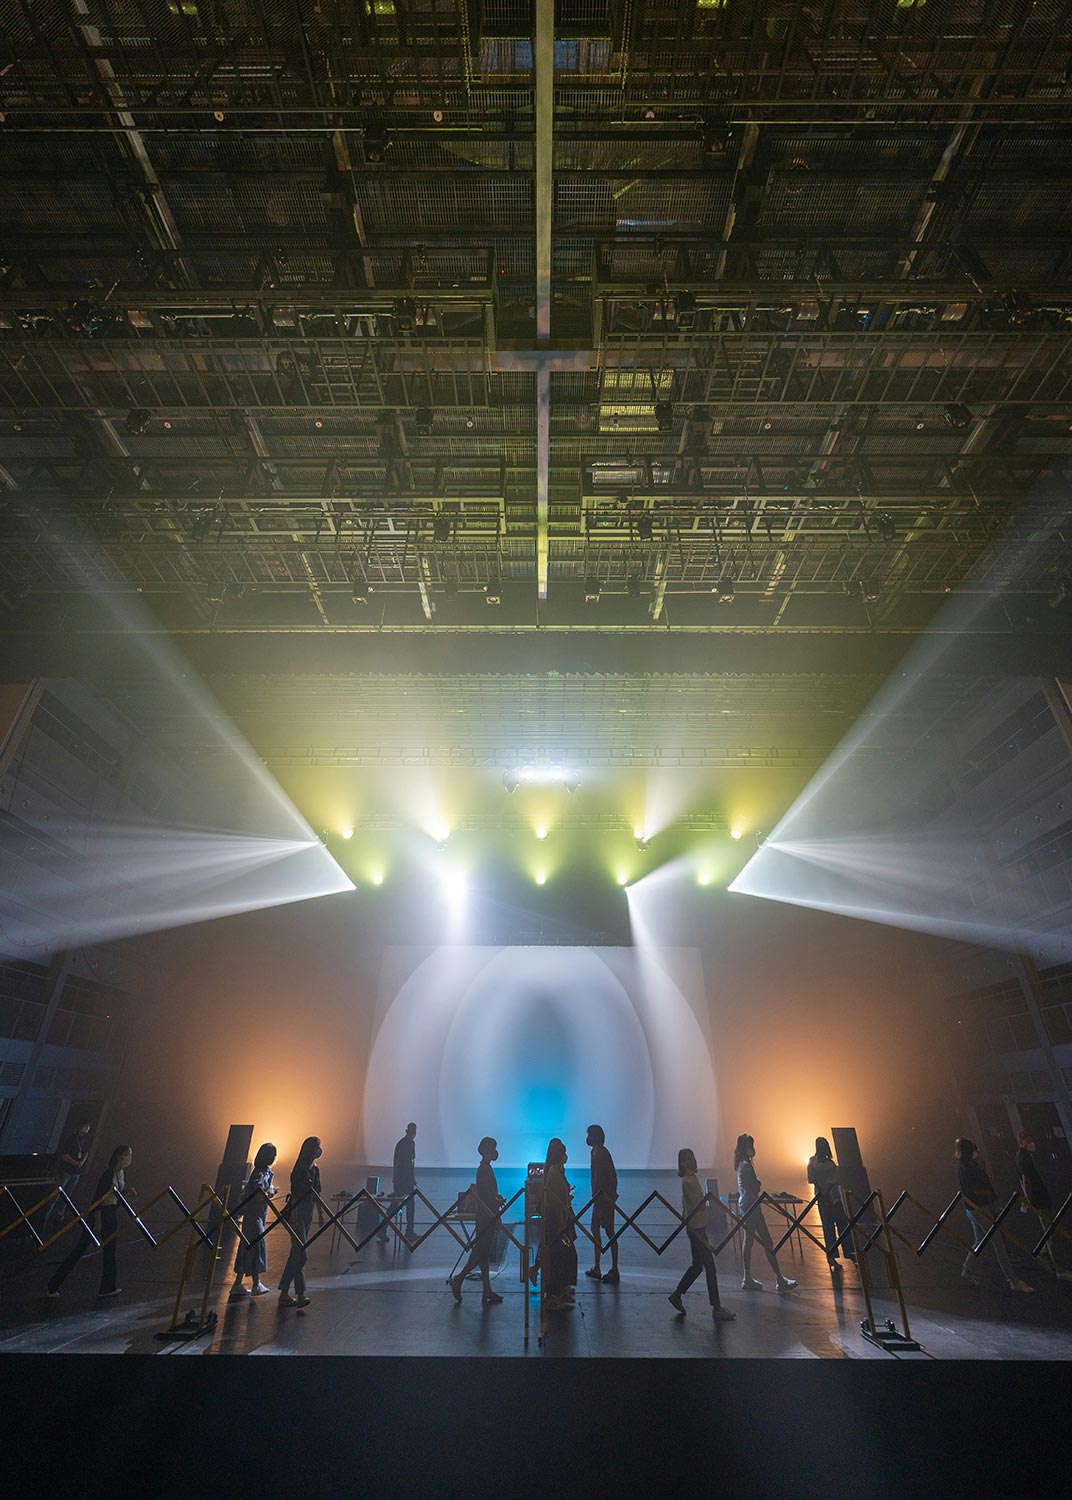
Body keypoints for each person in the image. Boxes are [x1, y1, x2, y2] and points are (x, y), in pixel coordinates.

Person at [46, 1144, 134, 1299]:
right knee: (80, 1249)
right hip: (100, 1214)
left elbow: (115, 1196)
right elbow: (98, 1199)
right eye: (127, 1154)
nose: (129, 1158)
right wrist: (97, 1222)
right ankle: (53, 1285)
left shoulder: (122, 1174)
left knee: (110, 1251)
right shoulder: (108, 1175)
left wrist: (126, 1193)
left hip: (111, 1213)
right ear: (119, 1156)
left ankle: (107, 1287)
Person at [956, 1137, 1033, 1293]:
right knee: (998, 1243)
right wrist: (988, 1196)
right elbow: (976, 1189)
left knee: (979, 1240)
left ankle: (967, 1269)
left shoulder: (964, 1166)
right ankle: (1013, 1280)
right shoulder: (969, 1168)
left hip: (971, 1209)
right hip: (980, 1208)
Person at [669, 1147, 735, 1321]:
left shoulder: (690, 1179)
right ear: (683, 1162)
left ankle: (677, 1294)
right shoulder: (689, 1182)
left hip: (695, 1227)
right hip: (697, 1228)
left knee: (698, 1265)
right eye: (688, 1158)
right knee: (709, 1267)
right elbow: (697, 1204)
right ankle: (717, 1307)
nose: (692, 1160)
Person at [734, 1134, 797, 1293]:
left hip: (746, 1205)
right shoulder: (747, 1166)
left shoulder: (742, 1164)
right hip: (752, 1206)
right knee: (767, 1241)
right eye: (750, 1144)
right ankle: (779, 1279)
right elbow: (754, 1186)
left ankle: (748, 1277)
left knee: (748, 1241)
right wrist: (758, 1184)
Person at [451, 1136, 505, 1305]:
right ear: (489, 1150)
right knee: (480, 1253)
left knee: (484, 1255)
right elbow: (486, 1196)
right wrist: (497, 1202)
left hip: (487, 1215)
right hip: (487, 1216)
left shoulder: (485, 1168)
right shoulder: (484, 1169)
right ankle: (459, 1279)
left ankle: (487, 1289)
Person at [1016, 1129, 1072, 1280]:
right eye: (1028, 1141)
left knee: (1049, 1229)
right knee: (1051, 1232)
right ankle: (1059, 1269)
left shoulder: (1023, 1156)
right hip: (1039, 1198)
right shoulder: (1024, 1158)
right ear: (1022, 1143)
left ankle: (1043, 1253)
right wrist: (1028, 1199)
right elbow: (1026, 1180)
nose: (1031, 1144)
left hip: (1040, 1197)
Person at [279, 1136, 323, 1309]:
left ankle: (298, 1294)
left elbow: (317, 1192)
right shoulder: (299, 1169)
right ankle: (285, 1291)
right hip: (297, 1211)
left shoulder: (316, 1169)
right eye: (317, 1147)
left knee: (297, 1253)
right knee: (300, 1253)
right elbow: (302, 1192)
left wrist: (320, 1213)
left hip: (308, 1212)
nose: (320, 1150)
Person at [230, 1142, 277, 1298]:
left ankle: (238, 1283)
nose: (274, 1158)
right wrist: (269, 1192)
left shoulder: (267, 1172)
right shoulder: (259, 1173)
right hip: (253, 1214)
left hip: (259, 1214)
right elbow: (258, 1191)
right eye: (271, 1155)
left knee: (247, 1246)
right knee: (256, 1246)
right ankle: (256, 1284)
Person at [807, 1137, 857, 1271]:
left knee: (828, 1228)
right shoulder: (831, 1164)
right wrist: (827, 1192)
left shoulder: (811, 1162)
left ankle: (832, 1257)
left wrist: (822, 1193)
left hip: (822, 1200)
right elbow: (833, 1181)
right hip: (834, 1199)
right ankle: (849, 1252)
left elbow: (812, 1180)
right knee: (842, 1226)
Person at [540, 1137, 577, 1310]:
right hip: (557, 1221)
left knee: (560, 1257)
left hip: (559, 1219)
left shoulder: (555, 1171)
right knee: (559, 1257)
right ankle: (555, 1292)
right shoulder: (554, 1174)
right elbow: (554, 1202)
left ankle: (558, 1290)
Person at [42, 1118, 92, 1231]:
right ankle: (45, 1216)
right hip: (66, 1170)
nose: (87, 1129)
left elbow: (86, 1153)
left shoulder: (86, 1140)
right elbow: (64, 1154)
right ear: (80, 1126)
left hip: (76, 1172)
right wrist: (75, 1163)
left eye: (88, 1127)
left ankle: (59, 1216)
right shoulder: (71, 1138)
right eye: (85, 1126)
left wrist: (81, 1163)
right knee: (56, 1194)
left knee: (67, 1195)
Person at [585, 1124, 620, 1284]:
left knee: (610, 1232)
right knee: (595, 1230)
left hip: (604, 1200)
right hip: (598, 1199)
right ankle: (598, 1266)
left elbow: (611, 1177)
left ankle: (614, 1268)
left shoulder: (602, 1154)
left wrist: (609, 1197)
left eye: (590, 1135)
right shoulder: (595, 1152)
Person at [393, 1122, 417, 1237]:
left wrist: (412, 1178)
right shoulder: (403, 1144)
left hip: (407, 1180)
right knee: (397, 1205)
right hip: (402, 1180)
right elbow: (398, 1163)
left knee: (408, 1206)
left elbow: (411, 1162)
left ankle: (409, 1230)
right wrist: (397, 1178)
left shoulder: (410, 1143)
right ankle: (409, 1231)